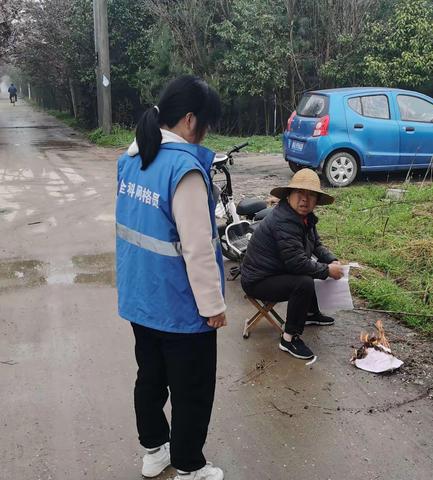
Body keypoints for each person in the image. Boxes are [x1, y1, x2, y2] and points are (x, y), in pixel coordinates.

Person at [116, 75, 226, 480]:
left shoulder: (130, 159)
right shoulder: (185, 170)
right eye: (207, 124)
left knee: (150, 378)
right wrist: (213, 307)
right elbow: (198, 249)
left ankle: (154, 450)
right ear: (191, 120)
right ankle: (189, 465)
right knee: (192, 390)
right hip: (180, 308)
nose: (206, 133)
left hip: (140, 299)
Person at [241, 168, 344, 360]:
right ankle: (289, 338)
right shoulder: (284, 221)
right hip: (257, 280)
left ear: (316, 201)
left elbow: (316, 245)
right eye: (300, 193)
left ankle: (311, 313)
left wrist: (330, 259)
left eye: (311, 195)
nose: (305, 199)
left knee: (313, 267)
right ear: (289, 196)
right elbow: (297, 264)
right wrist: (327, 270)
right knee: (304, 280)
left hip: (276, 271)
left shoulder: (304, 218)